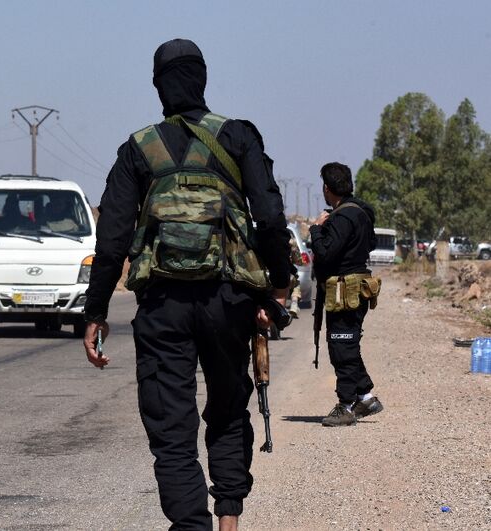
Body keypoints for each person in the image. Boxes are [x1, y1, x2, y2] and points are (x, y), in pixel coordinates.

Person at [83, 39, 292, 530]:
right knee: (228, 410)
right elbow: (269, 217)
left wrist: (95, 312)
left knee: (172, 430)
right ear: (203, 79)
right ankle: (229, 520)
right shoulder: (238, 136)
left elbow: (111, 239)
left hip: (163, 306)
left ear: (158, 86)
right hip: (228, 300)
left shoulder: (137, 148)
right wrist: (277, 288)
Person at [309, 162, 383, 427]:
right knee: (347, 345)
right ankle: (366, 398)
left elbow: (326, 253)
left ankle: (346, 405)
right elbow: (370, 243)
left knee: (342, 347)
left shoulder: (342, 217)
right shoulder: (361, 212)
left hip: (345, 291)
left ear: (327, 188)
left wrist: (316, 229)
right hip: (356, 287)